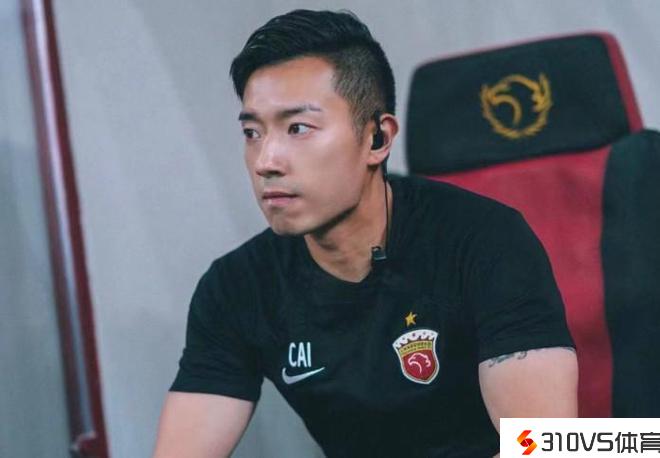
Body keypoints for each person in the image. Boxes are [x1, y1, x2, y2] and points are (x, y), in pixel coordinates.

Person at [153, 9, 577, 458]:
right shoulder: (236, 288)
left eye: (298, 128)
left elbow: (547, 448)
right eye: (252, 133)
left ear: (377, 138)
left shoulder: (485, 240)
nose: (266, 161)